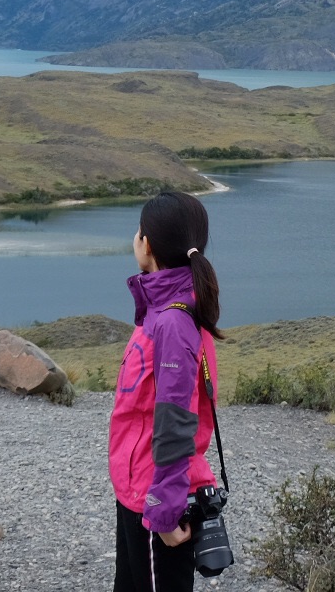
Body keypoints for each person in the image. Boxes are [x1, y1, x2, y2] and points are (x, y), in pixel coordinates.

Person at [109, 190, 224, 592]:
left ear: (148, 244)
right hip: (136, 491)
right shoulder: (158, 311)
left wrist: (165, 513)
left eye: (139, 231)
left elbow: (175, 421)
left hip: (157, 499)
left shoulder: (172, 323)